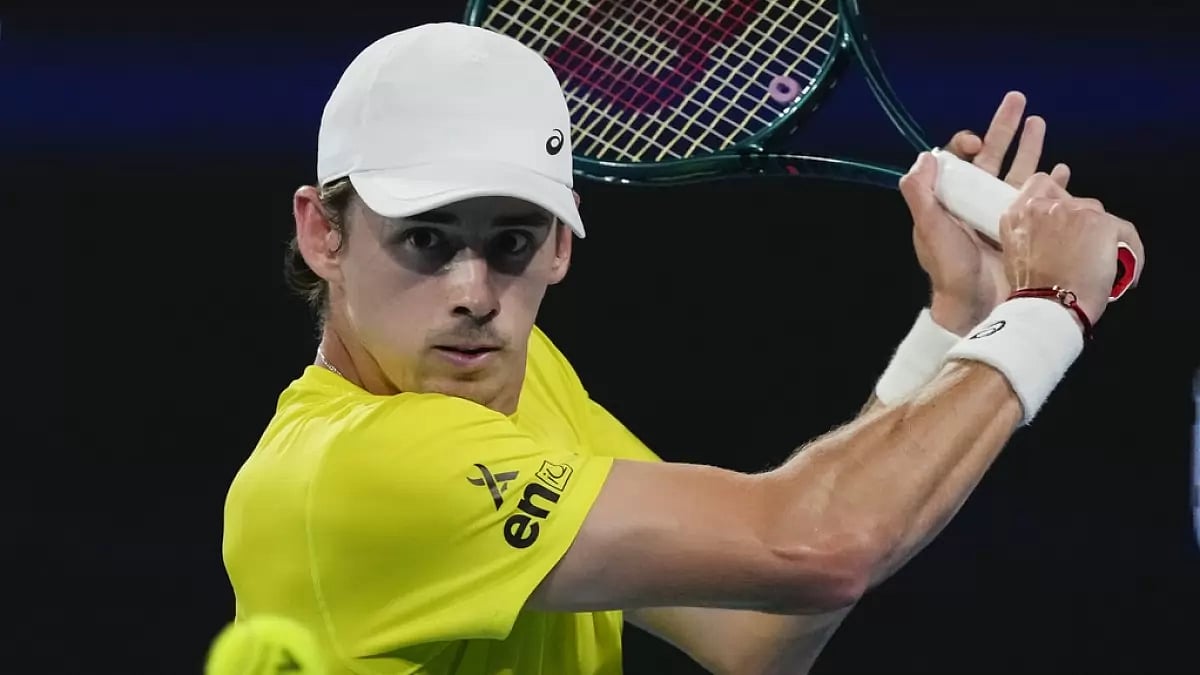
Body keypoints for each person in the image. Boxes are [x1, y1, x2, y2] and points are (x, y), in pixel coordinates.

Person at [221, 22, 1145, 675]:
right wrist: (1050, 304)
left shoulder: (515, 377)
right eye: (425, 239)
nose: (473, 294)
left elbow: (755, 632)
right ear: (322, 234)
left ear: (560, 246)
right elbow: (815, 546)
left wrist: (960, 317)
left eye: (510, 241)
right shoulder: (354, 472)